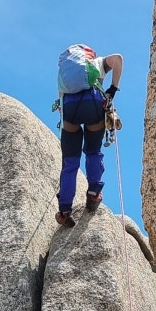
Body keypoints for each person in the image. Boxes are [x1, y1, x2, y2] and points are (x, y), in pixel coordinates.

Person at [55, 42, 123, 227]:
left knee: (70, 163)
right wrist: (112, 89)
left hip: (70, 109)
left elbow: (61, 101)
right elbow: (118, 59)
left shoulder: (65, 76)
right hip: (93, 103)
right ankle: (93, 192)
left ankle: (64, 209)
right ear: (89, 55)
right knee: (93, 152)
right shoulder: (97, 64)